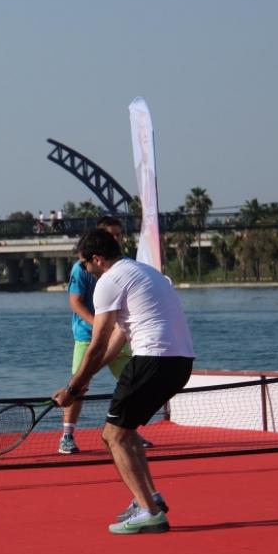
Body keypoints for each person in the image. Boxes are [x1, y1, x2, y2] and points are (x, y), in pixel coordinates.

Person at [54, 229, 195, 534]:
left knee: (112, 436)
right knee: (126, 432)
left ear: (96, 259)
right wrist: (80, 382)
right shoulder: (143, 271)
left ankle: (149, 512)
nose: (84, 269)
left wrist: (72, 389)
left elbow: (97, 343)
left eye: (84, 263)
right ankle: (149, 498)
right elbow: (117, 341)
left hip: (153, 359)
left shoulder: (108, 281)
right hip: (180, 362)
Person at [60, 215, 136, 454]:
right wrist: (99, 326)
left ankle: (128, 431)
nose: (117, 238)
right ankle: (67, 436)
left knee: (133, 382)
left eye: (119, 234)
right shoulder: (82, 267)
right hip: (86, 336)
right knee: (79, 384)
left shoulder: (123, 265)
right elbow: (75, 302)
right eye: (112, 234)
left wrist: (116, 329)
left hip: (118, 335)